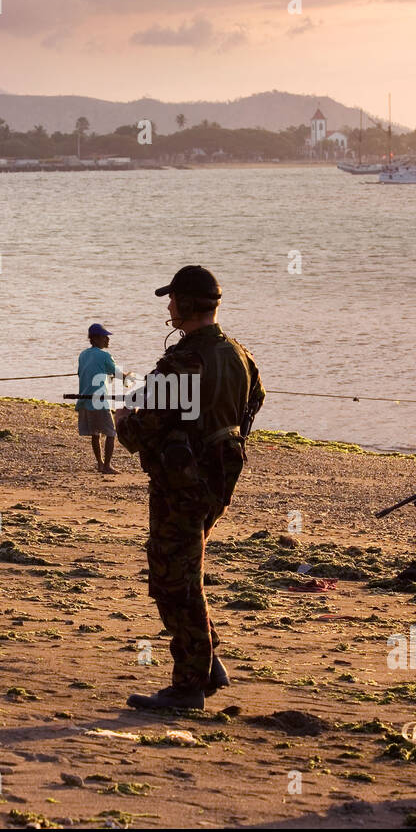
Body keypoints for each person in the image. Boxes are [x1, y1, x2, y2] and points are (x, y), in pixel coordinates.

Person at [116, 266, 264, 710]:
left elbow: (140, 433)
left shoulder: (181, 361)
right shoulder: (238, 353)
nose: (168, 307)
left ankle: (189, 685)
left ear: (185, 305)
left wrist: (124, 418)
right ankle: (207, 663)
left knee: (172, 580)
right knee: (182, 571)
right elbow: (253, 402)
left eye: (172, 300)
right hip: (220, 478)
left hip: (183, 483)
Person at [76, 323, 129, 474]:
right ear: (96, 338)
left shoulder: (83, 354)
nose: (107, 340)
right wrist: (126, 377)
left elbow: (81, 373)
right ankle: (107, 466)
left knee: (95, 433)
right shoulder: (105, 355)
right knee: (111, 433)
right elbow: (117, 373)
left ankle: (100, 463)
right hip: (99, 401)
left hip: (84, 399)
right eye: (105, 337)